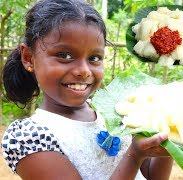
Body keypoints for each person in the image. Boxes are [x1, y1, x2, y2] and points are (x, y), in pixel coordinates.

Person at [1, 0, 173, 179]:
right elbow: (135, 157)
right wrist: (134, 155)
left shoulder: (116, 113)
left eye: (95, 57)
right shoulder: (29, 137)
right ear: (29, 58)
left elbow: (152, 176)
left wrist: (169, 134)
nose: (84, 70)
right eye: (65, 55)